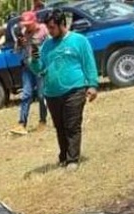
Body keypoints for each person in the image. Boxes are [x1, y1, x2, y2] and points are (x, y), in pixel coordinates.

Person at [29, 9, 98, 170]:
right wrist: (34, 60)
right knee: (60, 127)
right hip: (52, 93)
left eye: (53, 28)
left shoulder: (79, 41)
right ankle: (64, 156)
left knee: (72, 125)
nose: (50, 31)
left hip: (75, 89)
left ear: (62, 24)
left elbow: (89, 62)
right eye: (48, 28)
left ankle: (72, 159)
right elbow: (40, 69)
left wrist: (92, 85)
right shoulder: (46, 45)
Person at [10, 11, 49, 135]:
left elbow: (50, 46)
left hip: (40, 66)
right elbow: (16, 51)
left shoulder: (43, 30)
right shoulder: (23, 33)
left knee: (42, 95)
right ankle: (22, 123)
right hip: (27, 67)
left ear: (35, 21)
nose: (27, 26)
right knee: (26, 94)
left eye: (29, 24)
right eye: (25, 24)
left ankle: (43, 121)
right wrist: (19, 43)